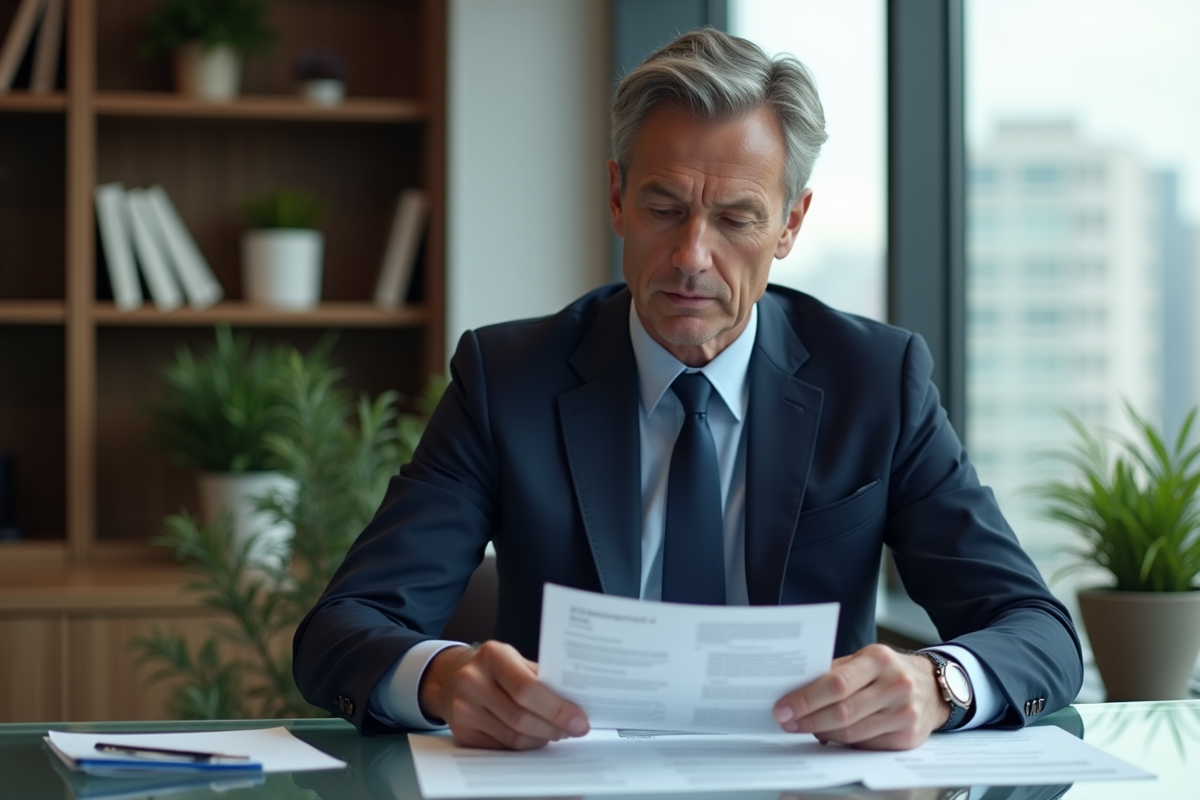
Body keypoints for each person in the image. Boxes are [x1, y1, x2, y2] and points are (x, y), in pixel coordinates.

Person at [293, 28, 1082, 752]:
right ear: (616, 199)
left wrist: (937, 684)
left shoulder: (876, 381)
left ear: (791, 224)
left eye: (737, 218)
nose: (692, 256)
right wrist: (443, 679)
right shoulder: (508, 379)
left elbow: (1037, 630)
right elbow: (341, 630)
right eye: (664, 208)